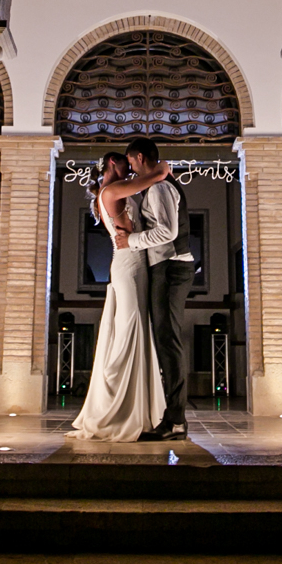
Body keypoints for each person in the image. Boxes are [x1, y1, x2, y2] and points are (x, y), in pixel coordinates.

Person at [65, 151, 172, 442]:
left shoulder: (111, 190)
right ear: (114, 163)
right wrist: (160, 166)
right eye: (126, 163)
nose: (131, 168)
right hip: (128, 263)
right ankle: (120, 406)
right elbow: (158, 174)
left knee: (134, 326)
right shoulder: (112, 190)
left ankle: (136, 404)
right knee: (130, 326)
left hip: (133, 262)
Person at [115, 136, 191, 442]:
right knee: (165, 341)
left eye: (131, 162)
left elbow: (167, 231)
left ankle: (175, 422)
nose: (131, 170)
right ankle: (172, 417)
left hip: (172, 268)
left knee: (168, 342)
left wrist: (130, 241)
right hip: (166, 268)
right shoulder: (157, 183)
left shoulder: (159, 187)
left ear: (140, 157)